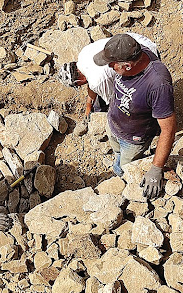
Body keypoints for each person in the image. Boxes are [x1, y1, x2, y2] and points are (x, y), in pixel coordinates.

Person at [94, 34, 176, 199]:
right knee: (117, 153)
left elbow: (168, 129)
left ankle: (123, 181)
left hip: (134, 139)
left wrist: (156, 169)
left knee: (127, 166)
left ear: (127, 66)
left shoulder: (157, 84)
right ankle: (117, 165)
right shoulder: (134, 53)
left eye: (112, 65)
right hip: (114, 123)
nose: (109, 67)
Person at [58, 33, 159, 119]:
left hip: (145, 60)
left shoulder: (97, 81)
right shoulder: (83, 54)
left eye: (78, 85)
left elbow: (116, 101)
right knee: (98, 99)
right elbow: (91, 82)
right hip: (136, 42)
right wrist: (89, 106)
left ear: (78, 82)